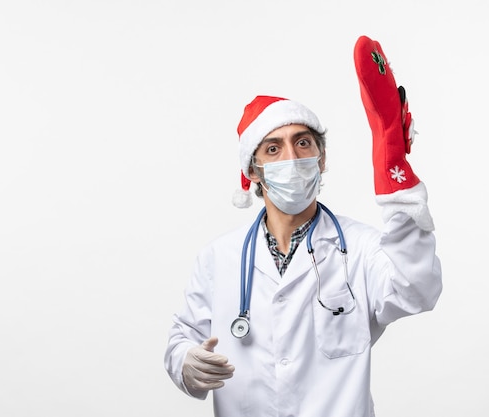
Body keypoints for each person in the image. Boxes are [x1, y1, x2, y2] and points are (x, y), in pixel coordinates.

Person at [164, 35, 442, 417]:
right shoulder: (218, 258)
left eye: (304, 143)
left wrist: (393, 172)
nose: (292, 158)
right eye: (273, 149)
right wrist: (186, 363)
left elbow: (417, 290)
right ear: (253, 171)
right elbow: (182, 338)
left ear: (321, 159)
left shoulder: (361, 248)